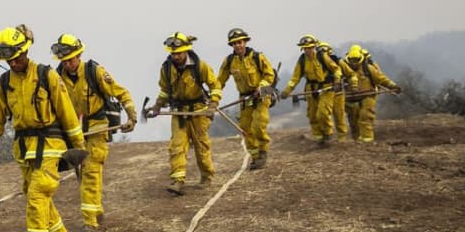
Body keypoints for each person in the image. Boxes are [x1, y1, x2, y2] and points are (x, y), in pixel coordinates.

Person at [0, 24, 86, 232]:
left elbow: (67, 113)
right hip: (25, 151)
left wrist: (79, 148)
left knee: (37, 197)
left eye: (17, 57)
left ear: (26, 51)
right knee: (41, 202)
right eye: (8, 59)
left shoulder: (46, 76)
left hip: (51, 146)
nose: (14, 62)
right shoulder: (3, 84)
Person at [51, 33, 137, 232]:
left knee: (91, 169)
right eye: (65, 60)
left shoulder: (95, 72)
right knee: (80, 172)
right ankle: (95, 208)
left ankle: (89, 222)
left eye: (72, 59)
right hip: (73, 129)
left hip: (97, 125)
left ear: (79, 55)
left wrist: (131, 115)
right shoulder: (56, 77)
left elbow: (121, 93)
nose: (69, 64)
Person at [143, 32, 222, 195]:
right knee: (177, 146)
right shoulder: (166, 69)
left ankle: (207, 176)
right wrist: (157, 106)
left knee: (201, 146)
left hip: (199, 112)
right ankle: (178, 181)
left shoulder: (200, 66)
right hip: (178, 113)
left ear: (186, 51)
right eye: (173, 53)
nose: (176, 56)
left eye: (179, 53)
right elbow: (165, 91)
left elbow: (215, 86)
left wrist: (213, 105)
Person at [216, 28, 277, 170]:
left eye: (240, 42)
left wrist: (261, 87)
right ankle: (255, 156)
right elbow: (220, 80)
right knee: (245, 127)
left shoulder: (257, 57)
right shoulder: (229, 61)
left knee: (258, 124)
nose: (238, 45)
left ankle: (263, 151)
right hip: (245, 98)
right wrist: (214, 94)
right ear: (231, 45)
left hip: (262, 94)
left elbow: (269, 76)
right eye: (234, 43)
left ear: (245, 42)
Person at [280, 34, 341, 145]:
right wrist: (286, 91)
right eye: (305, 48)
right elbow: (295, 78)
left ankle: (328, 133)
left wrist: (337, 81)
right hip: (311, 89)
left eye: (309, 47)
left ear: (314, 47)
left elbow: (336, 69)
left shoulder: (322, 57)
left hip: (326, 88)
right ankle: (319, 138)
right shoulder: (302, 60)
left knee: (322, 113)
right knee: (312, 115)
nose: (307, 50)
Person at [340, 44, 401, 142]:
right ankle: (357, 140)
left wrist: (393, 86)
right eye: (352, 61)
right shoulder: (342, 69)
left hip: (367, 96)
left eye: (356, 61)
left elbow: (381, 79)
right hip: (350, 98)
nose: (354, 63)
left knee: (365, 116)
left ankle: (367, 140)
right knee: (353, 120)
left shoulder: (368, 68)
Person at [318, 41, 350, 142]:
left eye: (324, 51)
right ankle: (327, 134)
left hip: (338, 93)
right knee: (322, 113)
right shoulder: (319, 63)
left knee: (339, 115)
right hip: (326, 91)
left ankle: (342, 138)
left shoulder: (338, 61)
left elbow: (351, 74)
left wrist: (351, 84)